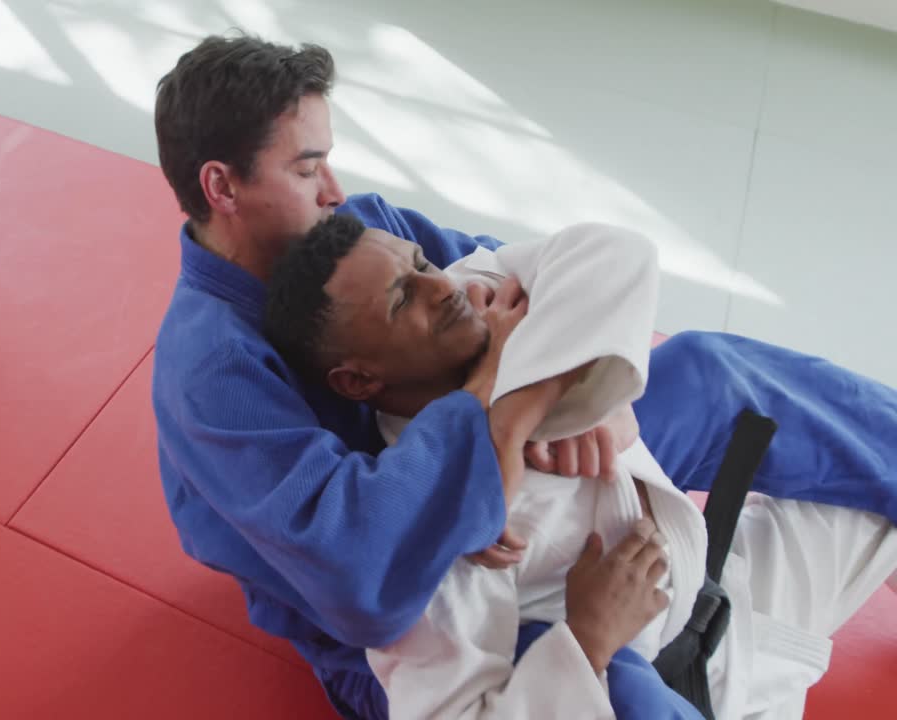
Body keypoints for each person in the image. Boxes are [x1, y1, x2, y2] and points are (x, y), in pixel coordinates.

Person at [151, 33, 897, 718]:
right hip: (419, 605)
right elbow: (362, 576)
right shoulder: (212, 374)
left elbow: (518, 283)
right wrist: (496, 417)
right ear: (223, 187)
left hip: (504, 473)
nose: (335, 189)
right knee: (594, 672)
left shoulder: (362, 229)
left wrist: (566, 388)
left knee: (705, 369)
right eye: (307, 167)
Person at [262, 213, 897, 719]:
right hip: (668, 687)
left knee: (714, 370)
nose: (444, 288)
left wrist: (524, 400)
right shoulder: (424, 528)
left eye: (421, 264)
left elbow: (614, 251)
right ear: (358, 380)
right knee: (614, 677)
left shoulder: (475, 299)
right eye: (405, 301)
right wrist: (588, 640)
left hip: (726, 586)